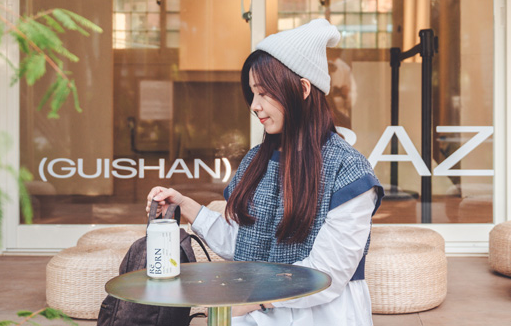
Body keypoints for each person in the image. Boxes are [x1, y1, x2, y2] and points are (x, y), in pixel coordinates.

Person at [147, 18, 384, 325]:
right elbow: (244, 244)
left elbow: (328, 274)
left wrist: (249, 304)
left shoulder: (349, 171)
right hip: (256, 314)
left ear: (301, 89)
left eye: (264, 93)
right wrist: (184, 206)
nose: (254, 105)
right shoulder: (256, 161)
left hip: (322, 316)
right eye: (252, 93)